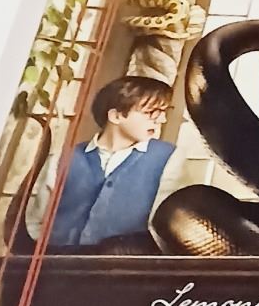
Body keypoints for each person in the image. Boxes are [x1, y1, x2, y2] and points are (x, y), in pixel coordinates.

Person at [34, 74, 176, 249]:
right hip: (58, 262)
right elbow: (37, 222)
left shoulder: (168, 158)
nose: (162, 120)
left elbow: (167, 228)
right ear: (116, 116)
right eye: (150, 113)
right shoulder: (64, 158)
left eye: (163, 112)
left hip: (124, 264)